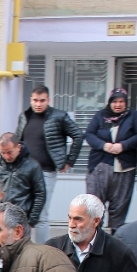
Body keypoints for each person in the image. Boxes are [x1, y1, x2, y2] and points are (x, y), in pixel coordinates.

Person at [16, 85, 85, 242]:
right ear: (30, 100)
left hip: (46, 172)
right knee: (21, 211)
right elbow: (18, 141)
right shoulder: (24, 116)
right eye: (35, 100)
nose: (38, 104)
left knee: (41, 214)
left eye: (42, 100)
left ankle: (41, 251)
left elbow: (78, 135)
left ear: (48, 100)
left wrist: (69, 161)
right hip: (24, 172)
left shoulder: (59, 116)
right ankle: (21, 249)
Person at [85, 88, 137, 233]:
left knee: (119, 209)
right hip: (100, 165)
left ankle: (115, 243)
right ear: (110, 102)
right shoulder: (100, 116)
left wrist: (123, 146)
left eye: (121, 101)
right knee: (95, 208)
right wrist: (104, 145)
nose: (118, 105)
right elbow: (89, 134)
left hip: (124, 168)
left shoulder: (133, 116)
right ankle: (94, 241)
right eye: (115, 101)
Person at [0, 133, 46, 234]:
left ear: (18, 147)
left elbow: (40, 194)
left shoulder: (33, 166)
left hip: (21, 219)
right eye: (3, 153)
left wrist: (32, 221)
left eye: (9, 152)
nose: (6, 156)